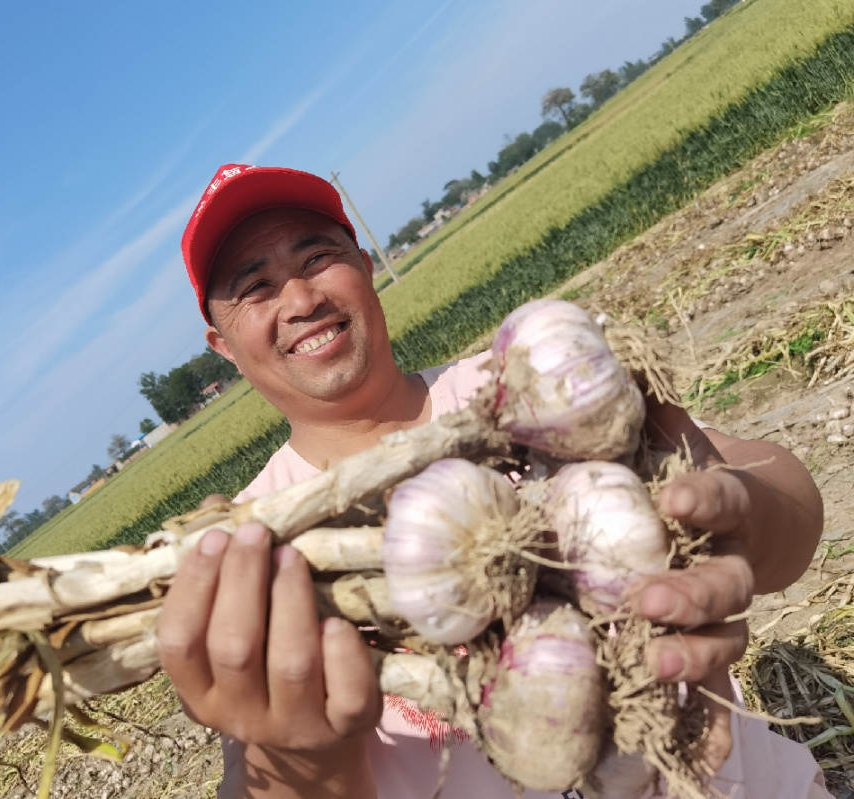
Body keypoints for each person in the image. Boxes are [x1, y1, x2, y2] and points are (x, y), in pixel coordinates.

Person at [156, 164, 831, 798]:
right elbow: (254, 774)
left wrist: (746, 518)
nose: (301, 299)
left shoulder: (521, 386)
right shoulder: (245, 548)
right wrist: (302, 764)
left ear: (365, 267)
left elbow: (780, 500)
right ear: (223, 344)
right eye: (256, 288)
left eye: (316, 259)